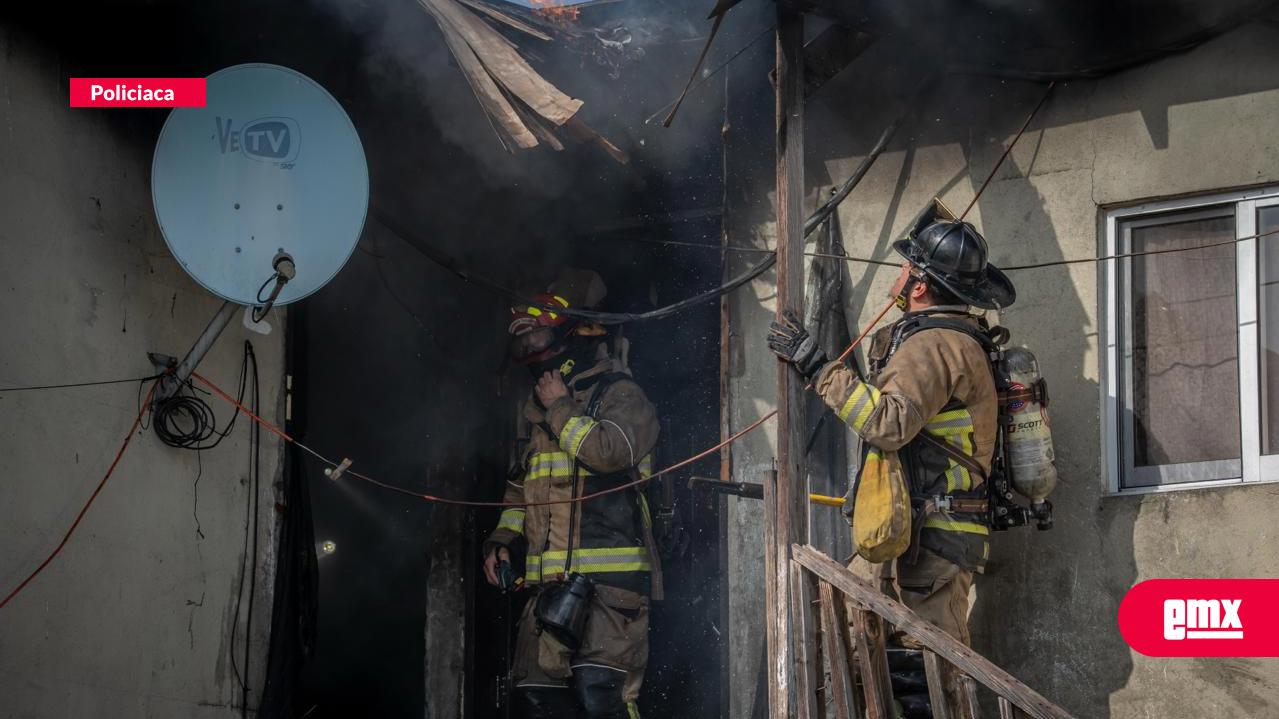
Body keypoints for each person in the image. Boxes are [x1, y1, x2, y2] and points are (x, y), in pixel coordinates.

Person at [768, 205, 1015, 713]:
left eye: (906, 267)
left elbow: (889, 423)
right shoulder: (947, 339)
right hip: (918, 537)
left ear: (919, 284)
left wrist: (817, 366)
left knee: (929, 677)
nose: (898, 275)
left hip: (934, 544)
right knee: (871, 652)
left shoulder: (934, 345)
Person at [483, 269, 661, 719]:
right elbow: (520, 491)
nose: (534, 354)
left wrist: (561, 407)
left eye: (537, 331)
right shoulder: (534, 417)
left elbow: (609, 452)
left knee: (602, 701)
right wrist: (502, 541)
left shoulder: (621, 394)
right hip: (549, 601)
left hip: (610, 600)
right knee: (540, 704)